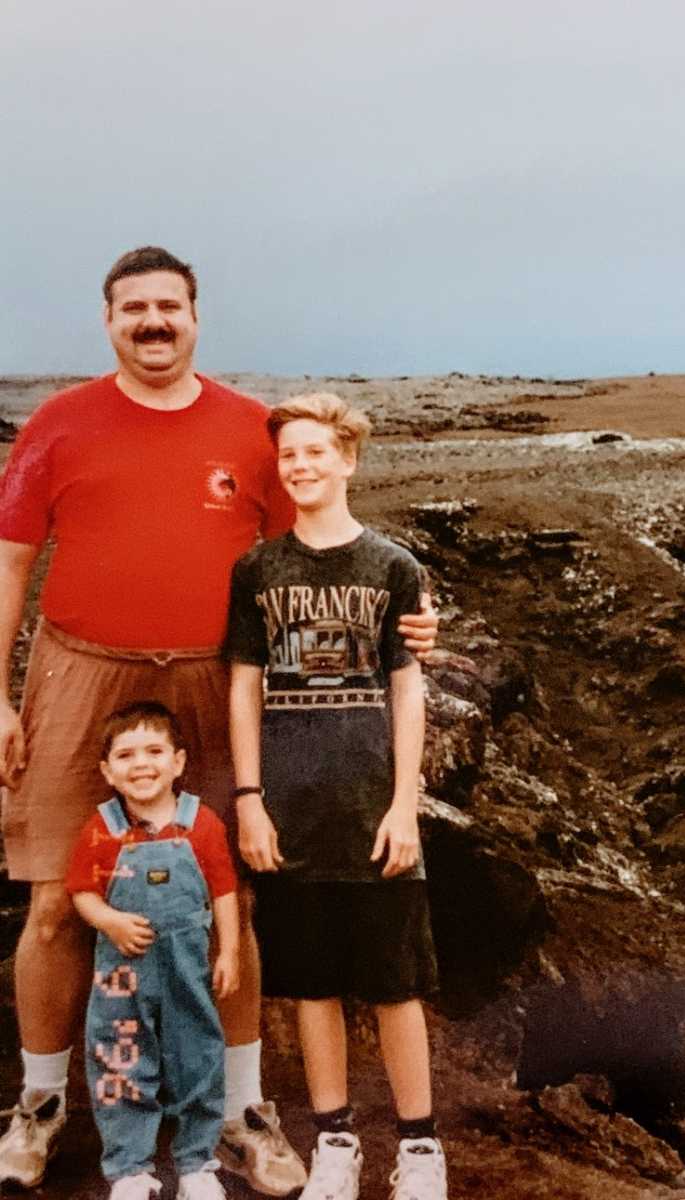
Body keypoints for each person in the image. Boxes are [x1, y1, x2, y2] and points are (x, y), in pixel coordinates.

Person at [0, 246, 439, 1194]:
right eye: (134, 309)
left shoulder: (251, 430)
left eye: (170, 306)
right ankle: (39, 1106)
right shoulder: (58, 423)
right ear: (107, 319)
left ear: (196, 316)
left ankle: (240, 1109)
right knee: (49, 901)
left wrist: (408, 623)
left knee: (229, 894)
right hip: (79, 673)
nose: (153, 323)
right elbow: (9, 566)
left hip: (214, 678)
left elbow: (316, 553)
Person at [226, 394, 447, 1200]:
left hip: (371, 812)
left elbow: (408, 691)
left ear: (349, 459)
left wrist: (403, 804)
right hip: (291, 813)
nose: (302, 466)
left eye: (317, 452)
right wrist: (250, 798)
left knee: (395, 985)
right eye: (289, 456)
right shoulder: (258, 570)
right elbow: (244, 687)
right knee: (313, 985)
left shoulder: (392, 567)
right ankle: (335, 1143)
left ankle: (420, 1150)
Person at [67, 702, 238, 1200]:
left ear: (179, 762)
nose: (141, 764)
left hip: (187, 971)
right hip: (123, 977)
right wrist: (110, 921)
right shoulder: (102, 828)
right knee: (121, 1063)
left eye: (154, 751)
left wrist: (228, 953)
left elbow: (224, 891)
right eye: (125, 754)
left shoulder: (201, 822)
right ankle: (129, 1169)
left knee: (198, 1058)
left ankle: (197, 1165)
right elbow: (81, 891)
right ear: (107, 771)